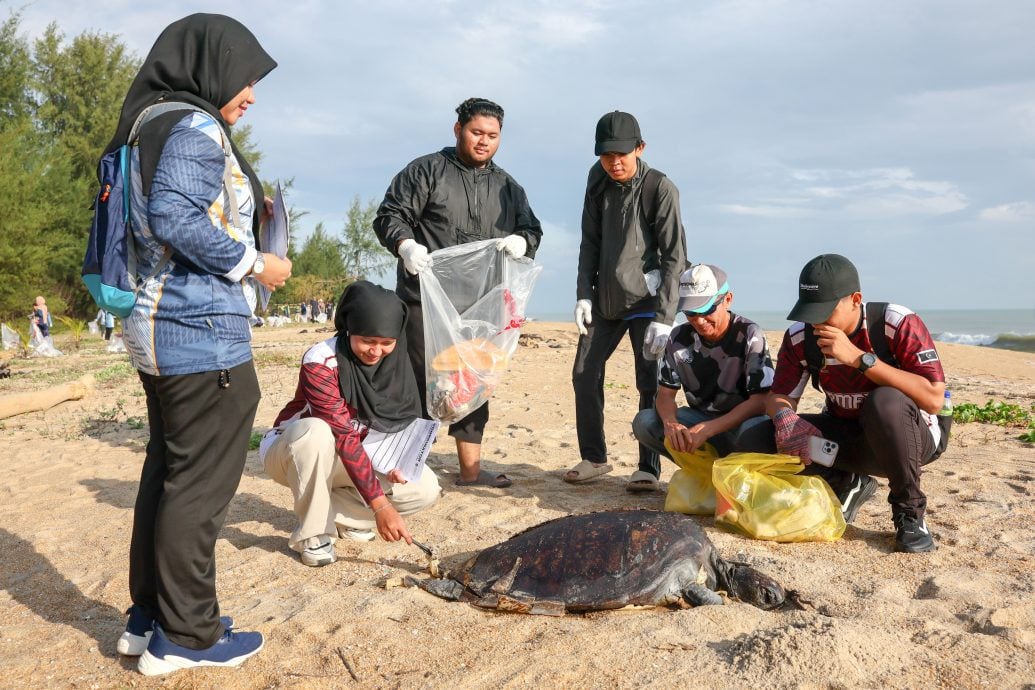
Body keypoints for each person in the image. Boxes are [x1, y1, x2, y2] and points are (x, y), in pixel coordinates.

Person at [105, 14, 291, 676]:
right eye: (245, 77)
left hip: (159, 329)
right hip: (199, 331)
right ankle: (186, 635)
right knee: (199, 488)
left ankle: (151, 616)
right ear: (212, 68)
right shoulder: (193, 125)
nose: (251, 93)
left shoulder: (148, 122)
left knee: (170, 474)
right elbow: (177, 217)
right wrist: (253, 263)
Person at [373, 97, 543, 488]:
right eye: (476, 133)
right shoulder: (426, 171)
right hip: (425, 300)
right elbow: (390, 214)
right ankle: (404, 466)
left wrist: (522, 241)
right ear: (458, 130)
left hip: (482, 304)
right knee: (421, 380)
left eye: (492, 136)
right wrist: (405, 245)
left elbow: (532, 230)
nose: (484, 141)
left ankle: (469, 471)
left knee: (475, 381)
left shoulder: (508, 188)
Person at [738, 254, 947, 553]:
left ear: (855, 299)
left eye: (825, 311)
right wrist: (785, 417)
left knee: (884, 401)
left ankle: (910, 513)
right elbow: (778, 397)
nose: (816, 321)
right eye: (810, 311)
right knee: (755, 436)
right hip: (847, 437)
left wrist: (858, 358)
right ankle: (845, 482)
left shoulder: (895, 323)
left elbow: (934, 398)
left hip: (910, 439)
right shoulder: (801, 336)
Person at [261, 281, 441, 566]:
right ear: (348, 328)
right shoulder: (321, 361)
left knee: (425, 488)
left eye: (386, 343)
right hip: (294, 450)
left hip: (353, 459)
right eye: (367, 341)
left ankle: (337, 516)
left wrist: (395, 462)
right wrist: (380, 505)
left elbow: (400, 423)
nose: (376, 351)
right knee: (318, 431)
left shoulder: (398, 364)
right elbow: (343, 435)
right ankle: (314, 533)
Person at [567, 111, 687, 491]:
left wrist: (666, 316)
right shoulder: (596, 180)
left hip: (649, 303)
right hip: (605, 299)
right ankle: (594, 457)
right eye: (606, 155)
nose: (614, 163)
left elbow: (674, 256)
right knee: (584, 373)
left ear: (640, 147)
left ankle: (648, 468)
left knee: (647, 381)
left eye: (622, 154)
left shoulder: (659, 188)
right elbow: (590, 241)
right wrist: (583, 293)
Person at [631, 264, 774, 472]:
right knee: (645, 422)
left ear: (727, 299)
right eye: (690, 312)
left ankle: (736, 471)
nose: (698, 320)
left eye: (706, 309)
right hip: (699, 422)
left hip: (741, 426)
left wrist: (709, 429)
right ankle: (705, 470)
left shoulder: (750, 334)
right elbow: (665, 394)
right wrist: (671, 424)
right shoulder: (678, 338)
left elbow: (761, 401)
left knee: (758, 429)